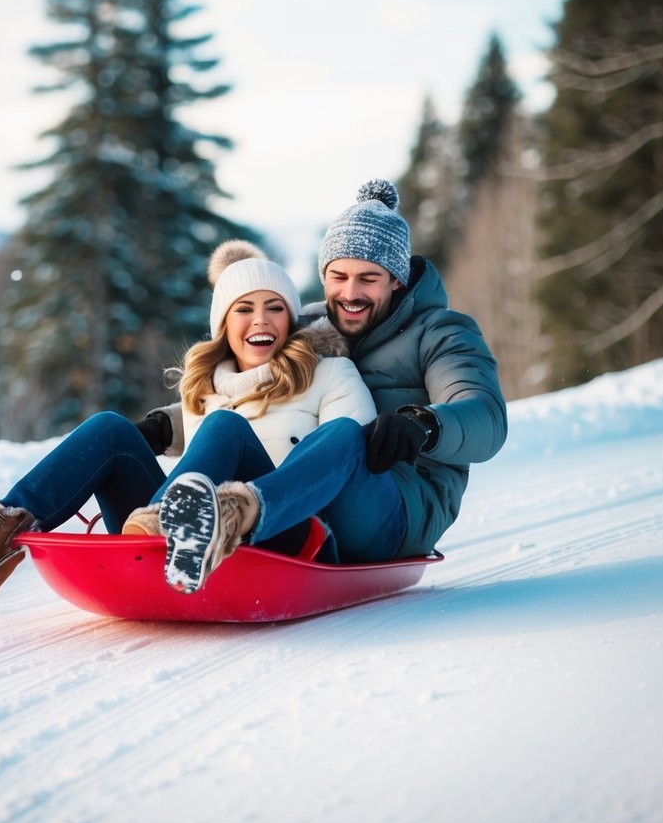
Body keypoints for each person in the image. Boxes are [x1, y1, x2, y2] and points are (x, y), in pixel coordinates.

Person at [0, 240, 377, 611]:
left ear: (291, 320)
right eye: (243, 309)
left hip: (284, 533)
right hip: (185, 537)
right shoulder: (205, 388)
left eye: (275, 308)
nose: (260, 320)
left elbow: (346, 462)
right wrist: (154, 434)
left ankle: (172, 520)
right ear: (223, 323)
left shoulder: (330, 374)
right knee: (110, 429)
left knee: (226, 429)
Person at [146, 179, 507, 594]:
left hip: (395, 508)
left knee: (342, 434)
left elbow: (486, 416)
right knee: (229, 428)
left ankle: (235, 516)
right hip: (303, 493)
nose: (350, 293)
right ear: (324, 275)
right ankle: (162, 534)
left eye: (368, 279)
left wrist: (424, 424)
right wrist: (166, 427)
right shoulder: (311, 324)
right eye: (339, 276)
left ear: (396, 280)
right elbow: (259, 390)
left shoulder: (442, 333)